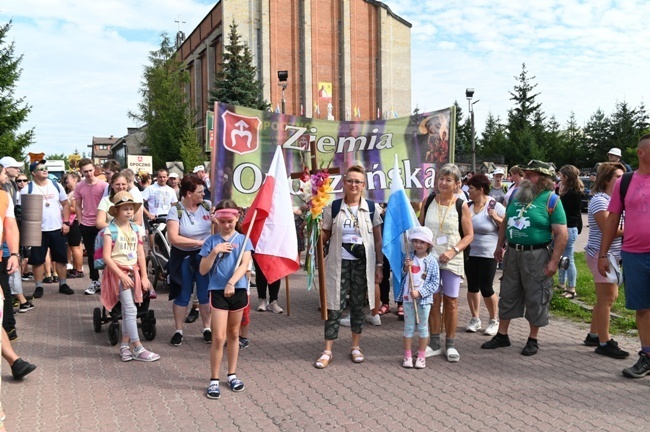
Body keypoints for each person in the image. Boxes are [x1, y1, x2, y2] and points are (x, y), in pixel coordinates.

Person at [482, 160, 568, 356]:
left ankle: (532, 339)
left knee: (536, 295)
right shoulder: (516, 196)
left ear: (544, 179)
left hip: (537, 255)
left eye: (532, 174)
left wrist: (554, 261)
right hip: (513, 253)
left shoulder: (551, 200)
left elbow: (562, 234)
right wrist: (499, 246)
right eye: (525, 173)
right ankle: (502, 335)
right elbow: (505, 223)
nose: (526, 177)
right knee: (508, 291)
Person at [314, 165, 383, 369]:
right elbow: (325, 235)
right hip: (338, 262)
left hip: (363, 263)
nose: (353, 185)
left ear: (363, 185)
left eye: (357, 182)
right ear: (343, 183)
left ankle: (355, 346)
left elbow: (378, 240)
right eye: (350, 180)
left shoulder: (372, 208)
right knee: (334, 304)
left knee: (357, 304)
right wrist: (314, 229)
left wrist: (379, 264)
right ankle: (327, 350)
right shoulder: (333, 207)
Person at [598, 134, 650, 378]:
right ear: (641, 153)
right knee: (642, 307)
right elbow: (612, 219)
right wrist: (603, 253)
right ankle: (647, 356)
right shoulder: (626, 181)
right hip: (634, 254)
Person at [419, 163, 474, 362]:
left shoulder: (461, 205)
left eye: (448, 180)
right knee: (433, 301)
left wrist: (453, 250)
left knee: (450, 302)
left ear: (457, 184)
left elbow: (469, 235)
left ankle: (450, 344)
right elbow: (420, 228)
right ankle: (434, 342)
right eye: (441, 179)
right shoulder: (429, 201)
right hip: (430, 260)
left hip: (452, 260)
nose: (443, 182)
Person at [199, 200, 253, 399]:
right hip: (218, 292)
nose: (226, 225)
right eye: (222, 221)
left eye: (230, 221)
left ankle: (231, 374)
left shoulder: (244, 239)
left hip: (237, 290)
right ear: (216, 220)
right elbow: (203, 270)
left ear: (236, 218)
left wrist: (231, 282)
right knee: (219, 336)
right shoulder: (211, 241)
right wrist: (215, 252)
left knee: (233, 334)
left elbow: (244, 264)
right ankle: (214, 379)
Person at [100, 191, 159, 362]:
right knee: (131, 309)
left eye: (131, 209)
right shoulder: (110, 231)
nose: (128, 212)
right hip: (118, 273)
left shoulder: (136, 229)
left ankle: (125, 346)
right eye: (125, 209)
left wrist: (145, 276)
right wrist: (121, 276)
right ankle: (138, 347)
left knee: (128, 310)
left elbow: (141, 253)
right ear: (117, 210)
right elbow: (106, 257)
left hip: (134, 272)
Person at [583, 162, 628, 358]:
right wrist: (636, 230)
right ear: (607, 179)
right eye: (618, 176)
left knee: (606, 297)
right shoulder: (600, 200)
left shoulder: (616, 199)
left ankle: (594, 334)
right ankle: (604, 341)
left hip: (612, 254)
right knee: (607, 298)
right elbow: (608, 229)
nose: (622, 180)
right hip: (600, 254)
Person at [167, 175, 212, 347]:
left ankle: (207, 328)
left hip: (205, 257)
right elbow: (174, 238)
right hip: (183, 257)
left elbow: (217, 230)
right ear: (188, 193)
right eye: (200, 192)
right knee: (182, 294)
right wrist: (199, 242)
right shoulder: (176, 210)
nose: (203, 194)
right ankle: (178, 330)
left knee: (204, 294)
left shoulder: (208, 207)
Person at [21, 160, 73, 297]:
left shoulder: (56, 185)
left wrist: (66, 222)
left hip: (57, 228)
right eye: (40, 169)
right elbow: (22, 210)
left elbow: (65, 205)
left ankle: (63, 283)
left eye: (45, 168)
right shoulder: (28, 189)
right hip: (37, 230)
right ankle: (39, 286)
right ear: (33, 173)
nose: (45, 170)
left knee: (61, 258)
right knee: (37, 260)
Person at [465, 173, 505, 336]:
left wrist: (495, 217)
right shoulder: (467, 206)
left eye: (472, 188)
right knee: (472, 286)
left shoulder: (495, 205)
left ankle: (493, 320)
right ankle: (475, 318)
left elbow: (506, 226)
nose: (468, 191)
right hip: (470, 252)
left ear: (481, 189)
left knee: (486, 287)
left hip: (488, 252)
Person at [397, 227, 440, 369]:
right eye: (415, 241)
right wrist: (405, 267)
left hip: (424, 301)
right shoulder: (409, 258)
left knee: (423, 328)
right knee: (408, 327)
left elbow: (435, 283)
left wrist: (421, 293)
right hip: (408, 299)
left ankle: (421, 356)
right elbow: (401, 276)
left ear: (428, 244)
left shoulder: (432, 261)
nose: (418, 245)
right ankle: (407, 355)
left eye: (422, 242)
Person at [74, 158, 108, 295]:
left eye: (90, 170)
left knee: (107, 253)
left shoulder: (104, 185)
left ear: (94, 169)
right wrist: (80, 221)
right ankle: (95, 281)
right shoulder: (79, 186)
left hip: (102, 223)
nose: (88, 174)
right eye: (85, 172)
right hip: (86, 224)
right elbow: (77, 204)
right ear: (81, 172)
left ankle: (107, 280)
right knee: (91, 254)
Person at [555, 165, 584, 299]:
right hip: (570, 227)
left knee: (569, 258)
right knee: (562, 257)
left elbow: (560, 207)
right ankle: (562, 283)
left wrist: (558, 193)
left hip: (568, 228)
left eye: (561, 176)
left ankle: (572, 288)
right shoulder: (573, 191)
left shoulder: (571, 194)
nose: (559, 178)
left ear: (565, 177)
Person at [62, 172, 84, 278]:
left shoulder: (75, 193)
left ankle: (78, 270)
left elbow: (75, 209)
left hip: (73, 222)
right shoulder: (73, 192)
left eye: (68, 178)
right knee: (76, 246)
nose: (66, 180)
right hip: (75, 221)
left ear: (75, 179)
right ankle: (76, 268)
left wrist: (63, 207)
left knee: (75, 247)